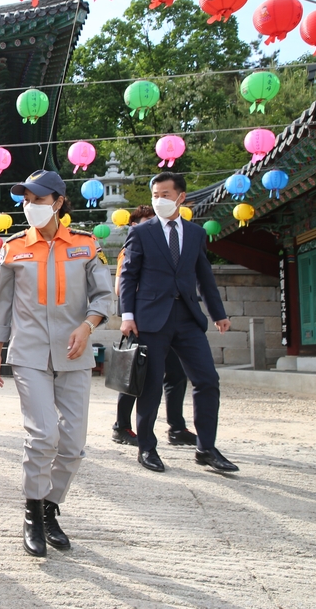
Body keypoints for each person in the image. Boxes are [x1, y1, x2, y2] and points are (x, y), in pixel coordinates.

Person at [0, 170, 113, 558]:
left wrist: (87, 327)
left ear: (57, 202)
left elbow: (103, 297)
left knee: (73, 444)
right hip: (29, 354)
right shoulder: (12, 248)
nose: (30, 207)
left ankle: (49, 507)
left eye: (38, 200)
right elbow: (1, 305)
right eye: (26, 200)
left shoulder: (86, 245)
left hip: (74, 353)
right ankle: (32, 514)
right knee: (43, 435)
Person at [119, 171, 238, 474]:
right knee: (151, 386)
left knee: (207, 380)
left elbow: (205, 277)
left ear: (181, 197)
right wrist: (127, 316)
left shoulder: (196, 233)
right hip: (150, 319)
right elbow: (128, 275)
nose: (159, 200)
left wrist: (219, 314)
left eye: (166, 195)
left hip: (187, 317)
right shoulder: (142, 233)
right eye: (155, 195)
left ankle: (207, 449)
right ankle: (147, 447)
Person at [111, 206, 196, 448]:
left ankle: (177, 427)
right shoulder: (129, 249)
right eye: (146, 221)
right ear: (134, 226)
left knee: (177, 374)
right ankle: (121, 426)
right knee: (134, 374)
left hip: (169, 321)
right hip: (141, 322)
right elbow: (120, 287)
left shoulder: (169, 250)